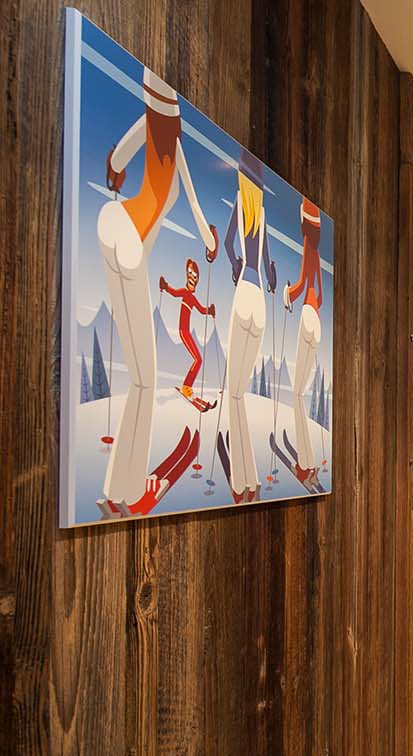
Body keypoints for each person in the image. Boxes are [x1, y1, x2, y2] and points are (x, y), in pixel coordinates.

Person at [98, 67, 217, 515]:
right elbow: (195, 206)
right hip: (128, 240)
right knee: (145, 381)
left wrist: (115, 172)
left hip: (113, 226)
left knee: (140, 378)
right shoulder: (170, 138)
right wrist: (209, 242)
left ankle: (118, 488)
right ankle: (130, 493)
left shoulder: (150, 127)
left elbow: (116, 160)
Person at [220, 151, 276, 503]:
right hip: (261, 305)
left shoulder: (242, 202)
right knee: (240, 392)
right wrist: (271, 278)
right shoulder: (264, 212)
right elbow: (269, 266)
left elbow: (229, 244)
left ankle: (241, 482)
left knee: (235, 392)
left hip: (244, 292)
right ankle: (251, 480)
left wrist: (235, 264)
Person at [282, 198, 323, 486]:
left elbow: (302, 283)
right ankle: (309, 462)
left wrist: (288, 293)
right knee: (301, 393)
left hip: (308, 316)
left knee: (296, 393)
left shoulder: (309, 248)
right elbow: (319, 294)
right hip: (317, 319)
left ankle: (304, 464)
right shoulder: (319, 255)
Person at [160, 259, 217, 411]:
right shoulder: (185, 292)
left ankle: (187, 386)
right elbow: (174, 293)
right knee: (198, 360)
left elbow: (201, 309)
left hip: (186, 332)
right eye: (190, 273)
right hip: (183, 331)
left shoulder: (191, 297)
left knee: (198, 360)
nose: (192, 277)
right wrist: (165, 286)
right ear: (187, 274)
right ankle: (186, 386)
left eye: (195, 275)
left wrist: (209, 311)